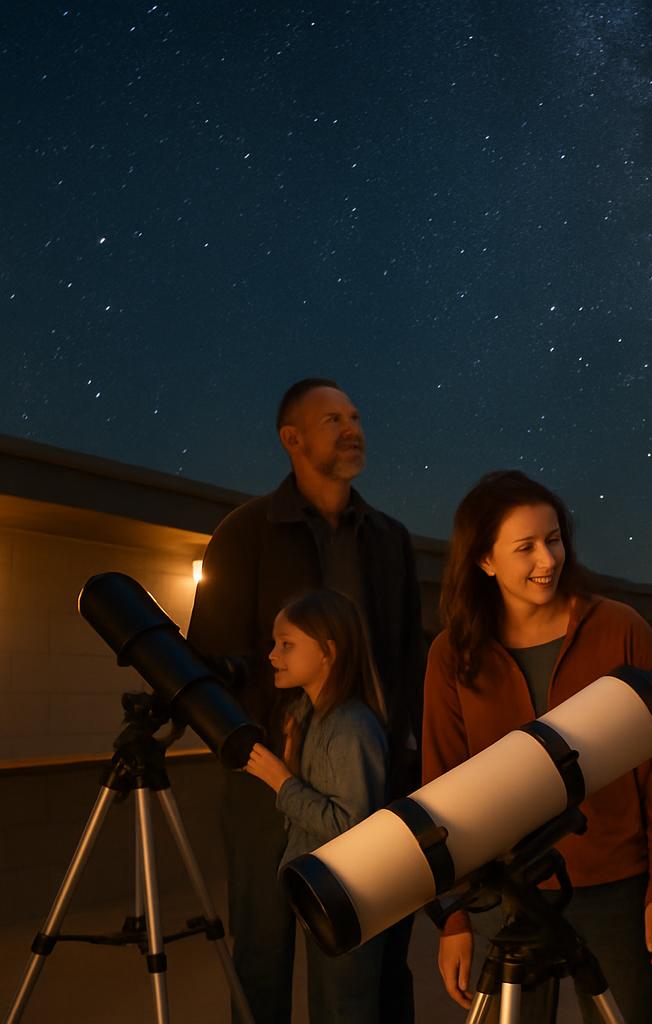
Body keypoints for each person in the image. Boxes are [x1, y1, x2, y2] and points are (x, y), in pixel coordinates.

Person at [189, 377, 425, 1024]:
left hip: (365, 777)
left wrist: (404, 750)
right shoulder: (245, 534)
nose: (352, 427)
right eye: (331, 419)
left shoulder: (388, 538)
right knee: (262, 958)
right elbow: (211, 662)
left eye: (354, 414)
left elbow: (406, 656)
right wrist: (261, 755)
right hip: (268, 783)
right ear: (291, 439)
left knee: (368, 959)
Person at [422, 470, 652, 1024]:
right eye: (525, 547)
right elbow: (440, 786)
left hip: (615, 886)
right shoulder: (452, 655)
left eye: (554, 539)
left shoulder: (621, 628)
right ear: (485, 560)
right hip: (503, 893)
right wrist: (455, 919)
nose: (548, 558)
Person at [243, 590, 392, 1021]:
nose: (272, 655)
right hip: (326, 894)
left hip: (350, 895)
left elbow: (353, 826)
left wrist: (280, 780)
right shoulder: (310, 716)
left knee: (345, 1007)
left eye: (287, 644)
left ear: (328, 652)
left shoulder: (350, 726)